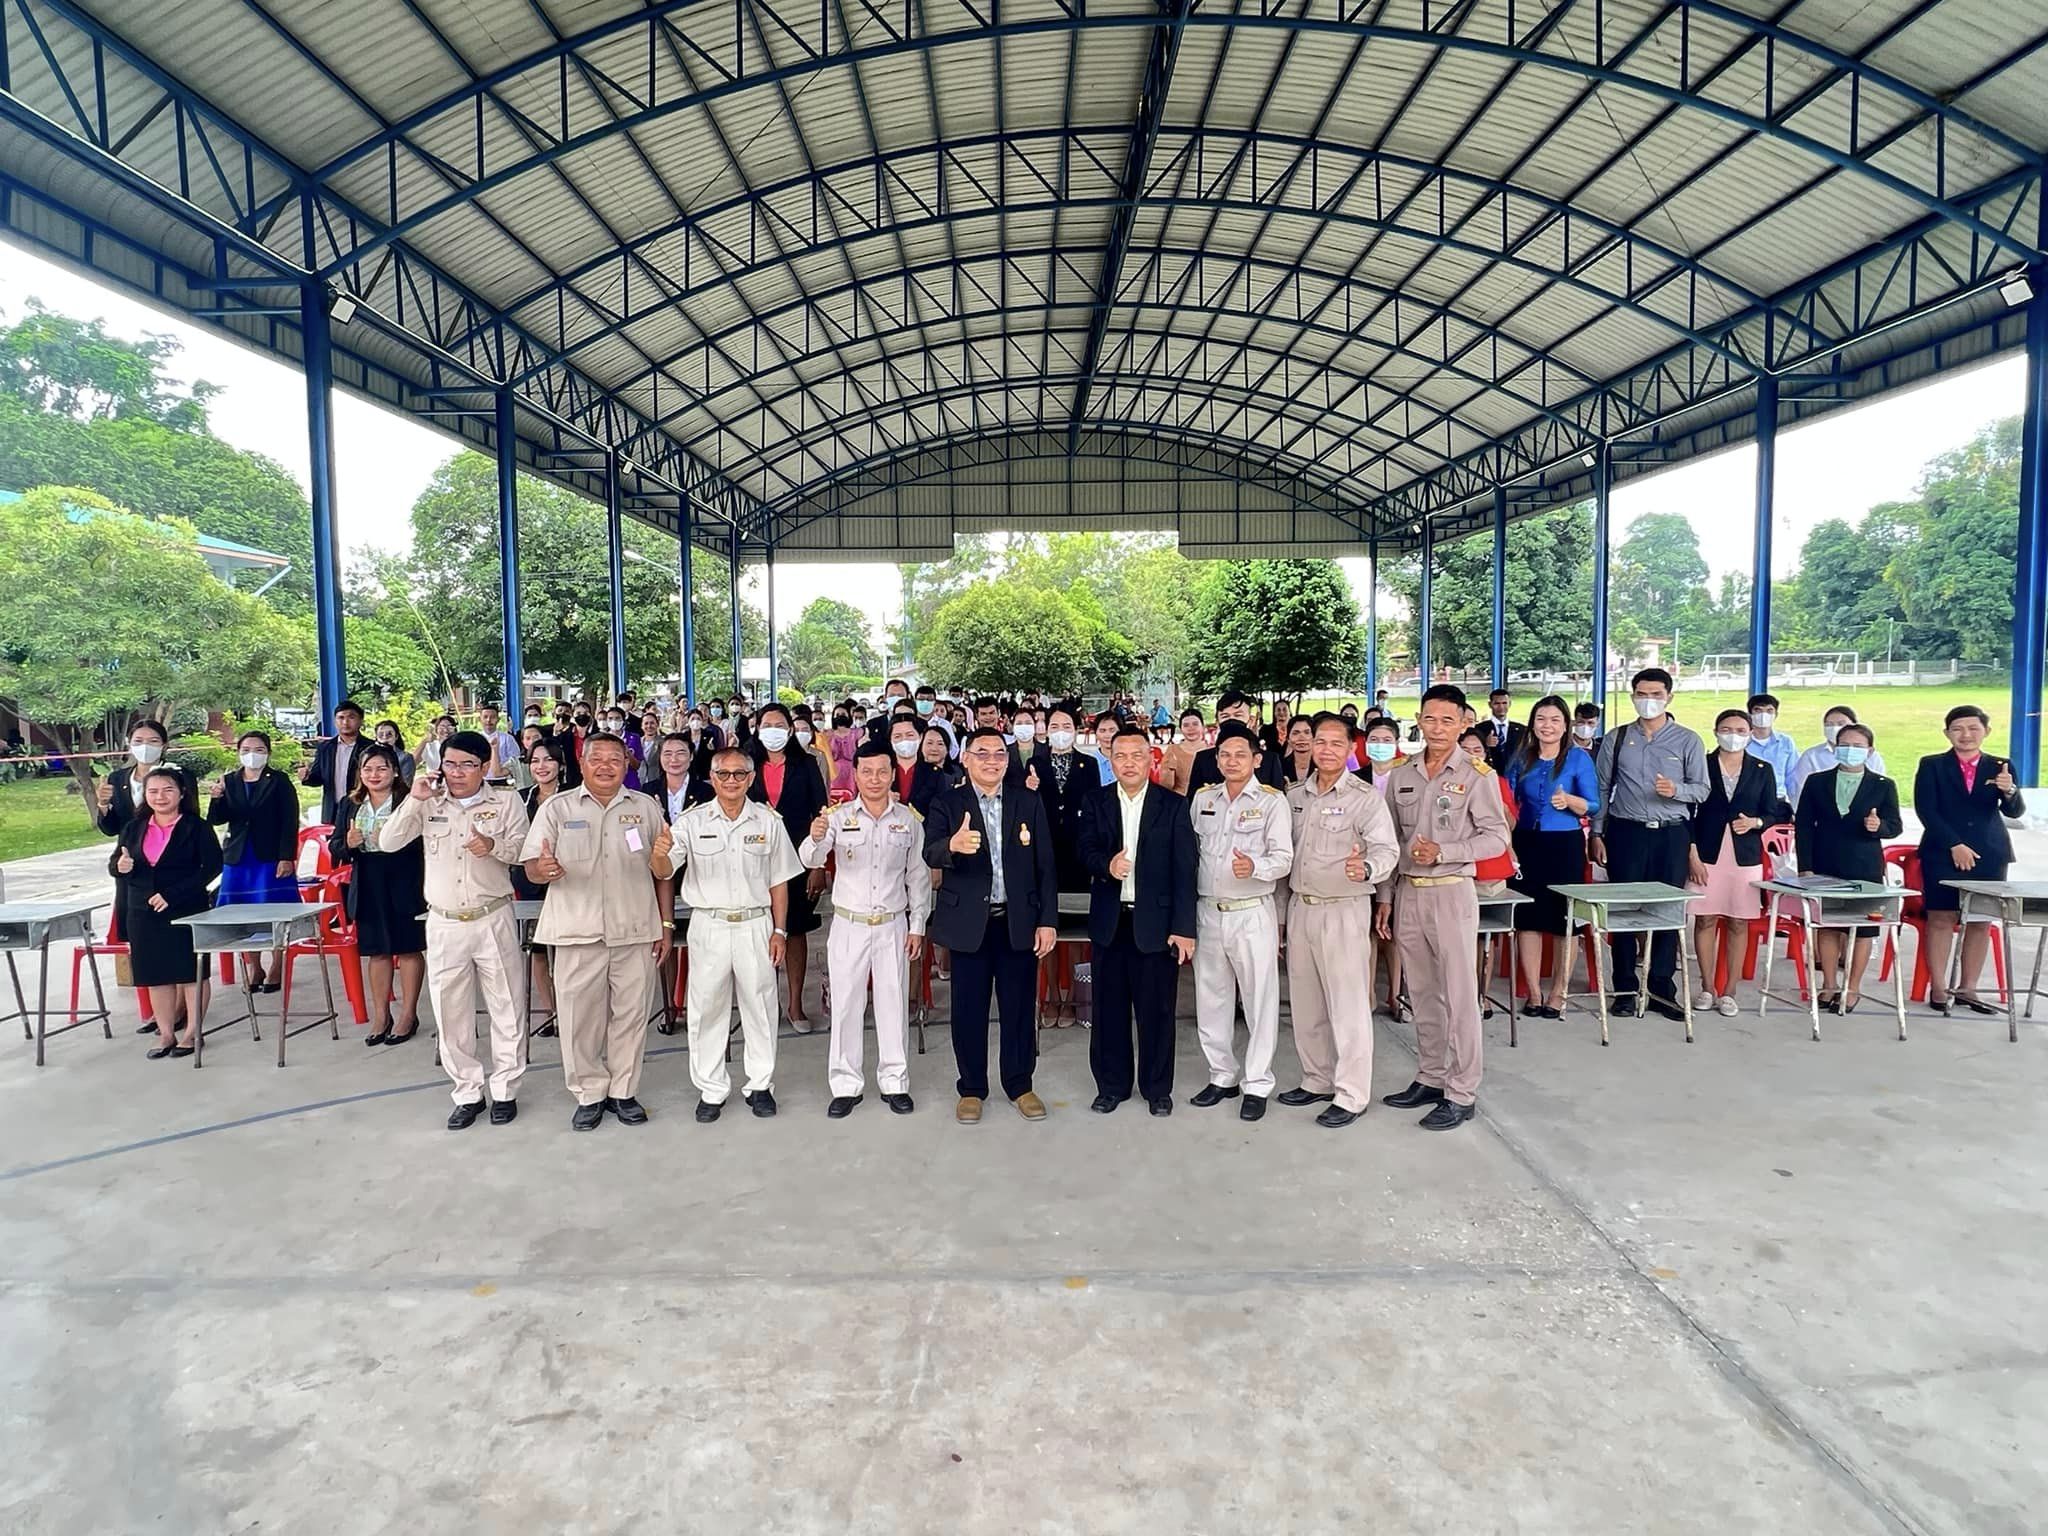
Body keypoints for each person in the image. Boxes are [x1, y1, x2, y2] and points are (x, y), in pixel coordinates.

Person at [1376, 685, 1511, 1130]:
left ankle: (1461, 1091)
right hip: (1409, 892)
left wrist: (1446, 852)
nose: (1437, 728)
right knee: (1422, 991)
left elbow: (1496, 838)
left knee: (1459, 995)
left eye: (1447, 720)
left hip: (1452, 892)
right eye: (1429, 719)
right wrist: (1386, 898)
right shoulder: (1403, 773)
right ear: (1418, 720)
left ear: (1463, 723)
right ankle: (1431, 1076)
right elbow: (1390, 842)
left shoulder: (1477, 775)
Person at [522, 734, 672, 1130]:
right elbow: (532, 866)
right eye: (597, 759)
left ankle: (624, 1091)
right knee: (578, 1020)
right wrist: (543, 870)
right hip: (577, 931)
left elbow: (662, 869)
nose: (606, 766)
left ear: (627, 764)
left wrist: (666, 924)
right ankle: (589, 1093)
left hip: (635, 929)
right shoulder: (557, 808)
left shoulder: (645, 807)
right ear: (582, 762)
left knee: (631, 1016)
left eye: (615, 759)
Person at [383, 731, 532, 1127]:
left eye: (467, 765)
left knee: (507, 1006)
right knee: (451, 1011)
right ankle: (468, 1092)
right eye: (450, 763)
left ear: (484, 768)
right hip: (445, 921)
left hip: (493, 915)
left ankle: (505, 1089)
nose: (457, 772)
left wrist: (493, 846)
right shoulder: (428, 801)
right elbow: (388, 841)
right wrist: (413, 799)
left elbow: (523, 851)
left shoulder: (506, 801)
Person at [924, 727, 1059, 1124]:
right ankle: (971, 1088)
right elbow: (929, 851)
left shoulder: (1027, 801)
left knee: (1018, 1009)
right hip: (970, 925)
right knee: (968, 1010)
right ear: (966, 759)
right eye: (981, 753)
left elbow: (1045, 865)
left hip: (1017, 923)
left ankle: (1020, 1085)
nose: (991, 761)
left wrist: (1047, 921)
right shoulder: (948, 803)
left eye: (999, 753)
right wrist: (952, 846)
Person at [662, 746, 801, 1121]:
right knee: (707, 1007)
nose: (731, 781)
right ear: (712, 778)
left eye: (740, 774)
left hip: (756, 923)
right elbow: (664, 868)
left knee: (760, 1005)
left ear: (751, 779)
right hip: (709, 923)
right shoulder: (691, 822)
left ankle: (761, 1084)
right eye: (723, 774)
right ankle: (711, 1089)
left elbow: (779, 881)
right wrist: (658, 853)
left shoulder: (768, 821)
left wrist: (780, 930)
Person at [800, 740, 934, 1116]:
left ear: (892, 775)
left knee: (894, 1004)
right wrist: (815, 836)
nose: (874, 779)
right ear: (855, 775)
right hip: (849, 924)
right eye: (867, 772)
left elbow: (918, 877)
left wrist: (917, 925)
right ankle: (846, 1085)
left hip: (892, 924)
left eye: (882, 772)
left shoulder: (908, 821)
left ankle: (895, 1081)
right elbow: (809, 858)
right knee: (846, 1005)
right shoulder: (837, 817)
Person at [1280, 712, 1398, 1126]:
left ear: (1351, 748)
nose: (1326, 750)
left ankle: (1351, 1094)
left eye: (1336, 743)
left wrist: (1366, 868)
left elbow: (1387, 850)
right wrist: (1280, 916)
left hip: (1344, 909)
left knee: (1347, 1006)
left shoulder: (1364, 798)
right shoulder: (1294, 795)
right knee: (1306, 1003)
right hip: (1301, 907)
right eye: (1320, 742)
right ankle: (1317, 1079)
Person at [1078, 725, 1197, 1116]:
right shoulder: (1095, 801)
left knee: (1157, 1011)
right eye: (1120, 756)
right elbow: (1084, 849)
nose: (1129, 763)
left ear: (1150, 759)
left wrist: (1183, 928)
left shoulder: (1173, 805)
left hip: (1156, 926)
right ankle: (1111, 1086)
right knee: (1108, 1011)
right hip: (1111, 924)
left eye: (1137, 755)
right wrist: (1106, 865)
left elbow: (1185, 870)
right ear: (1110, 760)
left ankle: (1157, 1088)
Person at [1186, 722, 1293, 1117]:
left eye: (1240, 755)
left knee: (1258, 1000)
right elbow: (1190, 851)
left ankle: (1257, 1083)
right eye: (1225, 755)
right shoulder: (1203, 799)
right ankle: (1222, 1076)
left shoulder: (1272, 802)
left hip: (1251, 912)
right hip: (1208, 911)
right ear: (1216, 760)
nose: (1232, 762)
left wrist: (1256, 867)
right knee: (1211, 998)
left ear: (1256, 760)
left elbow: (1283, 858)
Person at [1588, 668, 1708, 1019]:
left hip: (1671, 834)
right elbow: (1602, 788)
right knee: (1622, 911)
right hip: (1626, 833)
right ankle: (1625, 989)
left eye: (1656, 694)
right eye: (1642, 694)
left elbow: (1702, 789)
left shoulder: (1688, 740)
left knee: (1667, 911)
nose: (1648, 701)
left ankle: (1661, 989)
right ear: (1633, 696)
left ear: (1669, 697)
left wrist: (1676, 790)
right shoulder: (1617, 738)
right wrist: (1597, 833)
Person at [1915, 704, 2026, 1015]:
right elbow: (1927, 810)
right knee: (1941, 918)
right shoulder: (1932, 765)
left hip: (1989, 853)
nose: (1966, 735)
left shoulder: (2001, 766)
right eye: (1958, 729)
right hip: (1942, 851)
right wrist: (1954, 844)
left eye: (1973, 728)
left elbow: (2015, 811)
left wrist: (2010, 790)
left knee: (1979, 920)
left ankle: (1968, 988)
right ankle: (1939, 988)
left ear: (1986, 731)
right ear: (1947, 733)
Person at [112, 767, 221, 1059]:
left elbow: (212, 866)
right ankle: (166, 1033)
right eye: (153, 791)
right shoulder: (133, 828)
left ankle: (192, 1032)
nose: (160, 797)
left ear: (182, 793)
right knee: (156, 974)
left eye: (167, 790)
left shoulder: (196, 827)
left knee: (189, 972)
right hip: (142, 911)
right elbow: (117, 862)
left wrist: (173, 895)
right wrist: (119, 866)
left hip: (185, 909)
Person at [1794, 723, 1902, 1013]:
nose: (1850, 750)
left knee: (1863, 928)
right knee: (1829, 926)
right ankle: (1829, 984)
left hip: (1864, 866)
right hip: (1825, 863)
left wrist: (1879, 826)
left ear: (1870, 750)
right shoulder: (1817, 782)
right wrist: (1805, 866)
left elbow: (1895, 825)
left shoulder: (1883, 785)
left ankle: (1852, 988)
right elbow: (1803, 825)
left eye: (1857, 746)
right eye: (1844, 744)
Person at [328, 743, 428, 1046]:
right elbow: (335, 846)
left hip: (404, 879)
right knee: (377, 951)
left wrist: (394, 840)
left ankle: (408, 1014)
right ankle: (381, 1016)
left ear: (394, 771)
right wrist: (348, 843)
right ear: (360, 773)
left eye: (381, 768)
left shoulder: (408, 800)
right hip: (368, 880)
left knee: (408, 948)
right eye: (367, 769)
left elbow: (425, 841)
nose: (374, 774)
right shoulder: (350, 803)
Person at [1686, 710, 1780, 1017]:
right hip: (1707, 854)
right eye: (1726, 729)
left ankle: (1730, 991)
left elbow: (1774, 812)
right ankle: (1707, 986)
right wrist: (1692, 854)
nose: (1733, 735)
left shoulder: (1762, 769)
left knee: (1739, 921)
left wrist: (1756, 822)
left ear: (1750, 734)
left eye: (1740, 730)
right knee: (1705, 919)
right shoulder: (1701, 764)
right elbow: (1687, 812)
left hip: (1744, 855)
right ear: (1715, 731)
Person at [749, 703, 829, 1032]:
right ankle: (768, 1004)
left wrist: (818, 864)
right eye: (766, 725)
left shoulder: (806, 764)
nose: (773, 731)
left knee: (794, 930)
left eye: (779, 725)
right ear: (757, 729)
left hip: (798, 858)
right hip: (754, 858)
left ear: (790, 729)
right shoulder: (746, 763)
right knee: (761, 931)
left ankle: (795, 1004)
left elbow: (821, 813)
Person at [205, 729, 300, 993]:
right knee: (242, 913)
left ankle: (277, 964)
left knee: (275, 911)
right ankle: (253, 965)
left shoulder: (279, 781)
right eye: (246, 750)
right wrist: (216, 798)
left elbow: (289, 821)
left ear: (268, 753)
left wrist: (286, 857)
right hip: (238, 856)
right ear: (238, 752)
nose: (252, 755)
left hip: (270, 857)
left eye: (259, 750)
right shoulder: (229, 781)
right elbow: (216, 819)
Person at [514, 736, 573, 1031]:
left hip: (566, 879)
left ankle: (570, 1011)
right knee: (537, 949)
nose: (541, 766)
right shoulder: (520, 798)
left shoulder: (572, 796)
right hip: (529, 882)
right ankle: (551, 1011)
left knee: (565, 950)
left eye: (548, 759)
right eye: (535, 760)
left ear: (560, 765)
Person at [95, 719, 177, 843]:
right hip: (129, 851)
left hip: (171, 849)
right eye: (138, 741)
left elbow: (190, 820)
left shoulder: (179, 776)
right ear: (130, 745)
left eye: (153, 741)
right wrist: (103, 804)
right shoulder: (117, 779)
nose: (145, 746)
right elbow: (111, 829)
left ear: (164, 745)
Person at [1787, 705, 1889, 805]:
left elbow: (1880, 790)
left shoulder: (1872, 757)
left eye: (1841, 723)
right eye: (1829, 725)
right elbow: (1800, 790)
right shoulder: (1811, 756)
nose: (1834, 728)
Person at [300, 700, 367, 826]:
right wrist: (306, 777)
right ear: (335, 721)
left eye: (351, 717)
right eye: (341, 718)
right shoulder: (325, 748)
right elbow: (318, 778)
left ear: (361, 721)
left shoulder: (370, 747)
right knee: (332, 839)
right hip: (332, 811)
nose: (345, 722)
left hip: (360, 807)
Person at [1743, 693, 1798, 806]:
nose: (1764, 715)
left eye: (1769, 711)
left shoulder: (1786, 742)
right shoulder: (1741, 742)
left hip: (1778, 800)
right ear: (1749, 714)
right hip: (1748, 800)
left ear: (1776, 715)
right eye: (1758, 710)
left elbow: (1793, 777)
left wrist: (1795, 806)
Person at [1156, 708, 1205, 794]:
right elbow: (1165, 786)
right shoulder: (1172, 750)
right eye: (1186, 725)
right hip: (1179, 799)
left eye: (1195, 724)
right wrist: (1170, 770)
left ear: (1203, 727)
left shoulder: (1214, 751)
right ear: (1181, 728)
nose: (1191, 728)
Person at [1482, 689, 1526, 770]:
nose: (1501, 707)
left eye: (1504, 703)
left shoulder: (1522, 730)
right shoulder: (1480, 729)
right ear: (1490, 704)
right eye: (1497, 703)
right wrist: (1485, 744)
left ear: (1510, 704)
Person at [478, 705, 519, 780]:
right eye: (485, 717)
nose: (488, 720)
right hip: (480, 780)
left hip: (502, 780)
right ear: (480, 719)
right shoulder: (475, 739)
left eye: (493, 717)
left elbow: (515, 761)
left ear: (498, 719)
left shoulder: (507, 738)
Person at [827, 706, 859, 795]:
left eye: (843, 714)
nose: (840, 716)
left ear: (848, 716)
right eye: (837, 715)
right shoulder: (827, 734)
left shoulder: (857, 733)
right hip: (832, 775)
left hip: (852, 775)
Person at [373, 719, 417, 783]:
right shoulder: (368, 756)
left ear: (396, 737)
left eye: (389, 734)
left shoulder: (405, 757)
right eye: (381, 735)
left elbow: (406, 783)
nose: (385, 737)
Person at [1280, 715, 1315, 784]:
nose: (1301, 738)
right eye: (1295, 733)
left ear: (1315, 737)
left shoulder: (1324, 765)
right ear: (1288, 739)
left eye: (1307, 732)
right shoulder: (1280, 766)